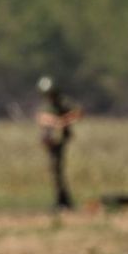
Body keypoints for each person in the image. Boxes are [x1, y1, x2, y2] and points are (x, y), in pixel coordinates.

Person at [34, 76, 82, 210]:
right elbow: (41, 118)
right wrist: (55, 122)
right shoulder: (46, 104)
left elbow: (78, 113)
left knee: (57, 170)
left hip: (59, 140)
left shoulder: (62, 102)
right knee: (55, 171)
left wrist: (62, 122)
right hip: (50, 140)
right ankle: (61, 200)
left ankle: (63, 201)